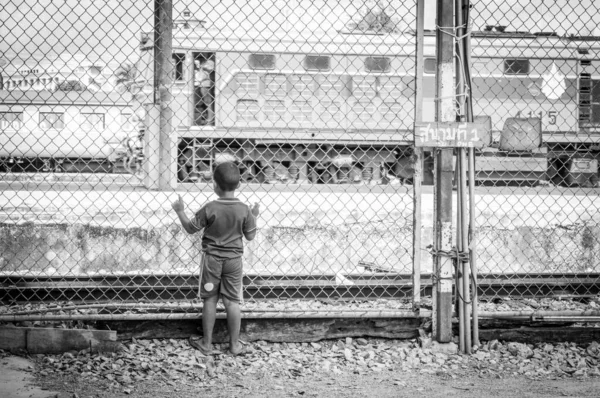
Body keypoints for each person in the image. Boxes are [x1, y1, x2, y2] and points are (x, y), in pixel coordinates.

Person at [171, 162, 260, 356]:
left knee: (210, 300)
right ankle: (235, 345)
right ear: (238, 185)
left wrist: (179, 211)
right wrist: (254, 216)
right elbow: (250, 236)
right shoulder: (244, 209)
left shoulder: (210, 208)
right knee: (232, 302)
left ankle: (206, 343)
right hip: (234, 262)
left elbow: (191, 228)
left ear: (215, 185)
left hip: (211, 261)